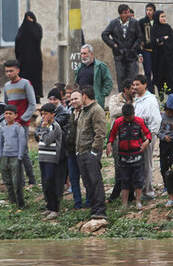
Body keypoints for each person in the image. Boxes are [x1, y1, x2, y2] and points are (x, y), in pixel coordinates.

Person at [106, 103, 152, 209]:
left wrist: (146, 142)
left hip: (137, 154)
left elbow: (148, 133)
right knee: (125, 179)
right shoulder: (118, 122)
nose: (128, 119)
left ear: (134, 114)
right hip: (123, 155)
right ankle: (125, 204)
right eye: (126, 117)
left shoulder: (139, 121)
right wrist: (109, 144)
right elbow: (112, 135)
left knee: (138, 179)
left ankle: (138, 202)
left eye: (130, 117)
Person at [75, 86, 108, 220]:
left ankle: (100, 210)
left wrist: (94, 151)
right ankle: (94, 209)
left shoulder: (96, 110)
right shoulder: (83, 111)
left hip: (90, 153)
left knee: (95, 182)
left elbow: (100, 133)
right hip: (81, 152)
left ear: (84, 96)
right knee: (88, 183)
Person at [3, 59, 37, 186]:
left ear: (18, 70)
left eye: (11, 71)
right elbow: (7, 105)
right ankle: (20, 181)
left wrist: (22, 120)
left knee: (23, 151)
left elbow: (32, 104)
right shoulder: (7, 86)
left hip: (22, 124)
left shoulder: (25, 84)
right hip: (11, 124)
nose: (9, 73)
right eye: (7, 71)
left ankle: (31, 179)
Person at [131, 74, 162, 200]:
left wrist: (149, 137)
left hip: (146, 136)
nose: (135, 87)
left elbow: (156, 120)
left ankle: (148, 192)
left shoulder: (150, 100)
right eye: (134, 85)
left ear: (145, 85)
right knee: (138, 163)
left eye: (138, 84)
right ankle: (139, 190)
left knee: (147, 164)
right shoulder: (137, 100)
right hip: (136, 136)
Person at [101, 3, 143, 87]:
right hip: (119, 56)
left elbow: (140, 37)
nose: (127, 15)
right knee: (121, 78)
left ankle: (132, 97)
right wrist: (114, 45)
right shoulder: (114, 23)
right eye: (125, 13)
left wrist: (134, 47)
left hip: (132, 55)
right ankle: (122, 97)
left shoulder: (134, 22)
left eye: (128, 12)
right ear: (120, 14)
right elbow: (104, 35)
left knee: (132, 78)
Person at [35, 103, 65, 219]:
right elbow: (38, 137)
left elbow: (46, 140)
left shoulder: (55, 126)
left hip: (51, 158)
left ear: (53, 114)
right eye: (42, 114)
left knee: (50, 183)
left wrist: (42, 130)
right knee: (45, 183)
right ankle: (49, 207)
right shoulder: (45, 125)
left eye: (46, 114)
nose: (43, 116)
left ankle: (55, 209)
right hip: (42, 156)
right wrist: (42, 131)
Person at [0, 105, 28, 209]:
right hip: (4, 157)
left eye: (10, 113)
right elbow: (0, 143)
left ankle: (20, 204)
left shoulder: (18, 128)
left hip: (15, 157)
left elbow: (22, 142)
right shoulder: (3, 128)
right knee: (7, 181)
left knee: (16, 182)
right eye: (6, 113)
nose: (8, 115)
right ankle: (12, 201)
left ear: (16, 115)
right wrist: (0, 155)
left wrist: (20, 157)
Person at [62, 88, 84, 209]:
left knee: (86, 179)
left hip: (83, 151)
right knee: (74, 178)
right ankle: (77, 202)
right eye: (72, 99)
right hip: (70, 151)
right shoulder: (70, 114)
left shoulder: (86, 113)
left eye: (76, 98)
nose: (74, 101)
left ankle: (89, 202)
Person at [14, 11, 44, 100]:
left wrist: (30, 27)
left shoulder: (37, 27)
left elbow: (37, 38)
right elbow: (17, 44)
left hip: (35, 60)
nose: (29, 21)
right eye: (27, 19)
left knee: (35, 82)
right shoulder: (22, 29)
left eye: (31, 19)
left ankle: (36, 97)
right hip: (24, 62)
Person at [150, 10, 173, 97]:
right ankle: (161, 99)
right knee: (159, 77)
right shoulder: (154, 29)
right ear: (157, 18)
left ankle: (170, 98)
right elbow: (154, 42)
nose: (164, 18)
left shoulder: (167, 27)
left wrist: (162, 41)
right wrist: (163, 38)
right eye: (162, 17)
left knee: (169, 77)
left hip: (168, 58)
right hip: (158, 59)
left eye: (164, 16)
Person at [139, 3, 157, 92]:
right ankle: (150, 91)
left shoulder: (157, 21)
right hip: (146, 51)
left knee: (157, 72)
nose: (148, 12)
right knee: (148, 72)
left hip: (157, 51)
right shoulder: (142, 22)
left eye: (150, 10)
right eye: (147, 10)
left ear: (154, 11)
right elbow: (139, 34)